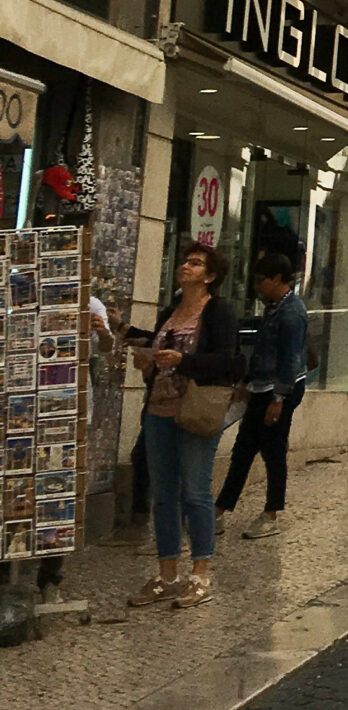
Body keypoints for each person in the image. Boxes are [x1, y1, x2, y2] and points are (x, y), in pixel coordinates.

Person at [127, 243, 242, 609]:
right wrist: (150, 364)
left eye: (195, 263)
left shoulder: (219, 312)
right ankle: (167, 575)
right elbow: (158, 355)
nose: (186, 267)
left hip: (195, 411)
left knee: (195, 492)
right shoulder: (170, 312)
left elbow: (227, 361)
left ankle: (201, 574)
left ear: (210, 276)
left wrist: (183, 361)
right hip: (159, 411)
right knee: (163, 495)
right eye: (185, 261)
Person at [214, 250, 308, 535]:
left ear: (277, 279)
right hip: (262, 386)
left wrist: (278, 399)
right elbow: (263, 351)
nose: (257, 286)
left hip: (279, 389)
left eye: (261, 279)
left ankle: (271, 513)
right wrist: (248, 381)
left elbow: (290, 360)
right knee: (244, 448)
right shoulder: (274, 307)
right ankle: (220, 509)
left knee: (273, 450)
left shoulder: (291, 313)